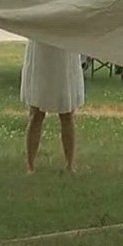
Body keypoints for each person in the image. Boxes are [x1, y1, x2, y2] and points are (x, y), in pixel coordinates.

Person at [21, 39, 83, 173]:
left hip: (65, 47)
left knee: (67, 112)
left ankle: (70, 164)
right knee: (36, 112)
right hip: (40, 47)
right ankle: (30, 165)